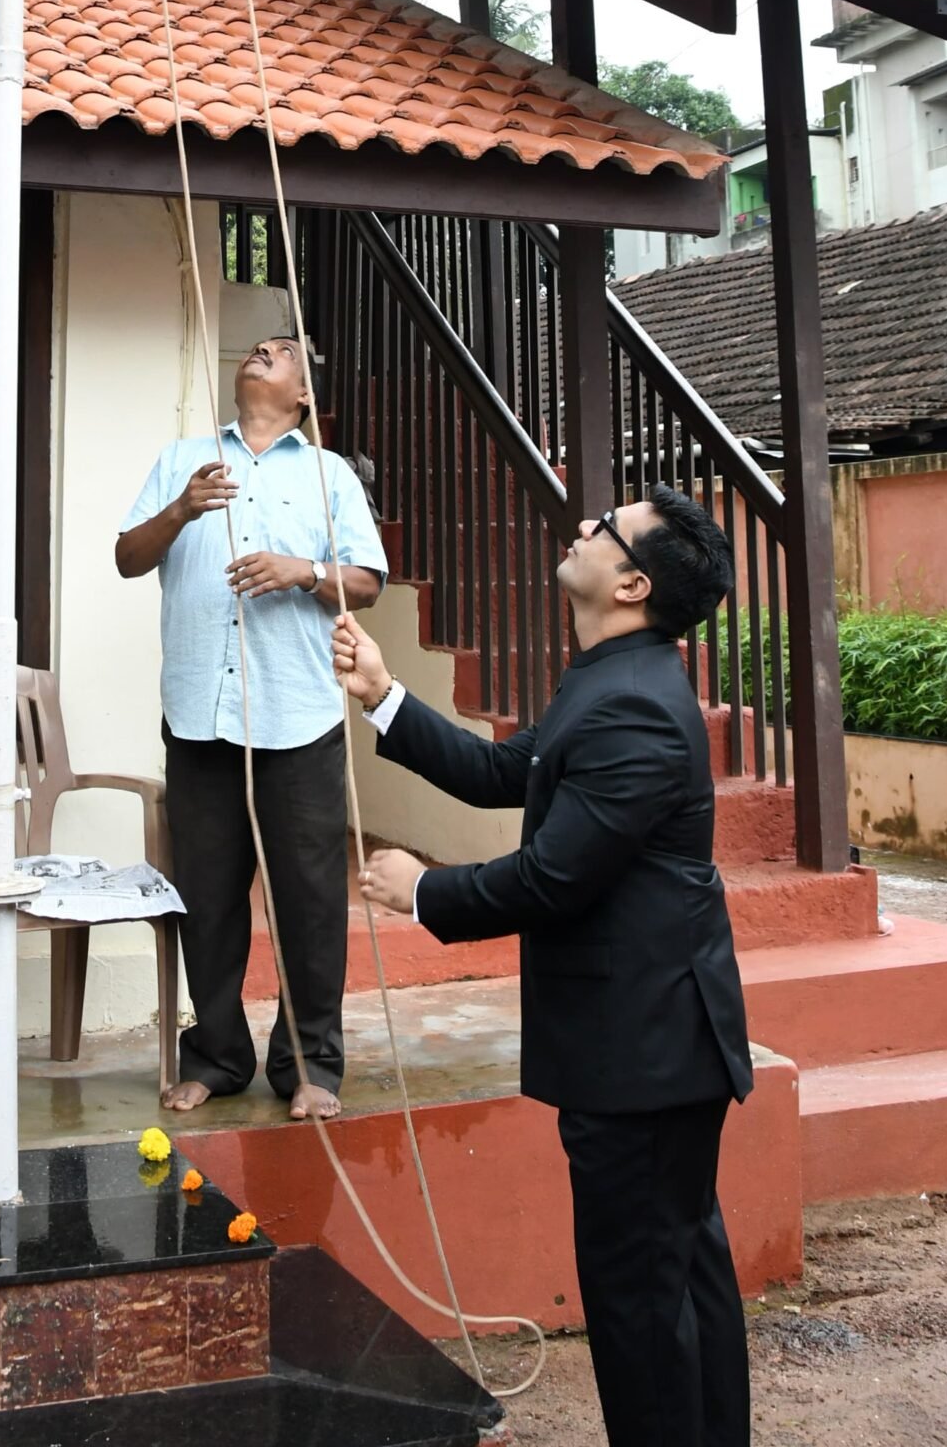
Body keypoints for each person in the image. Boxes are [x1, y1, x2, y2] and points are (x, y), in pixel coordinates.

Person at [333, 484, 753, 1447]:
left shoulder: (636, 706)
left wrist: (424, 891)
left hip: (645, 1051)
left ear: (632, 584)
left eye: (607, 529)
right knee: (674, 1279)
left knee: (640, 1301)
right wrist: (383, 695)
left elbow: (554, 877)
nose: (584, 526)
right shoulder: (610, 679)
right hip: (645, 1043)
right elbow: (504, 773)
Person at [116, 336, 387, 1120]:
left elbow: (367, 582)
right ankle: (216, 1057)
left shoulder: (330, 473)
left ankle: (311, 1067)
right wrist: (180, 509)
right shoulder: (183, 460)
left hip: (298, 715)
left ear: (303, 395)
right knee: (205, 899)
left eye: (283, 349)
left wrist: (304, 571)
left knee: (309, 903)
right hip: (198, 714)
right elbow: (127, 558)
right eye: (258, 347)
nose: (263, 350)